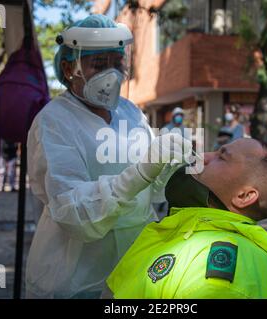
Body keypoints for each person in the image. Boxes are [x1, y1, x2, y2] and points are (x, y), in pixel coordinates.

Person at [25, 14, 192, 299]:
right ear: (68, 68)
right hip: (75, 275)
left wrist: (168, 166)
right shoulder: (54, 121)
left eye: (117, 64)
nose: (112, 75)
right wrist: (138, 174)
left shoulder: (130, 112)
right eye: (99, 65)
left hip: (134, 266)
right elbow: (73, 212)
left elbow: (152, 196)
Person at [105, 138, 267, 299]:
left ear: (244, 196)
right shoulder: (182, 230)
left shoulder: (228, 275)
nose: (203, 157)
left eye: (222, 157)